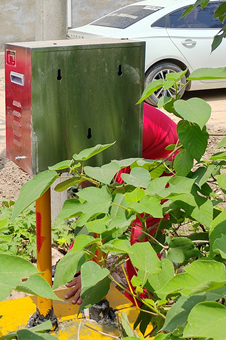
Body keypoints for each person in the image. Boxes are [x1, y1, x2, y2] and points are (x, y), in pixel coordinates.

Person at [63, 103, 178, 305]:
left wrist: (92, 273)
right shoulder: (85, 125)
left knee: (141, 232)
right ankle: (78, 263)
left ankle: (141, 301)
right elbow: (91, 195)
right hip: (135, 148)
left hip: (162, 153)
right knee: (95, 206)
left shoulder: (105, 130)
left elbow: (104, 209)